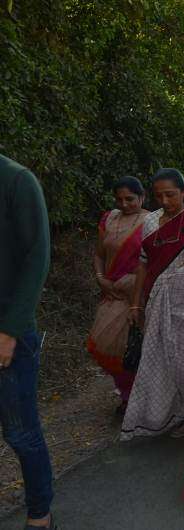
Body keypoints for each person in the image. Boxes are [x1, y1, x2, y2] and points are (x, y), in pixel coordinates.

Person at [122, 169, 184, 440]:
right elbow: (143, 265)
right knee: (164, 359)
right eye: (159, 196)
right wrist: (136, 305)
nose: (165, 201)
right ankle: (183, 413)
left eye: (171, 194)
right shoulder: (150, 222)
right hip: (159, 303)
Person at [0, 155, 57, 530]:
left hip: (9, 335)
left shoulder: (17, 181)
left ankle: (40, 516)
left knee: (20, 432)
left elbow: (38, 257)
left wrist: (9, 333)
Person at [87, 177, 148, 415]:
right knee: (105, 346)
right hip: (111, 293)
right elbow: (99, 254)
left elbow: (154, 262)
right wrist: (101, 278)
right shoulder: (109, 219)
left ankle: (134, 400)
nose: (124, 204)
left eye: (130, 199)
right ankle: (127, 393)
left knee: (131, 347)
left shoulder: (152, 221)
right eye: (119, 199)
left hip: (137, 296)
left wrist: (133, 285)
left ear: (142, 197)